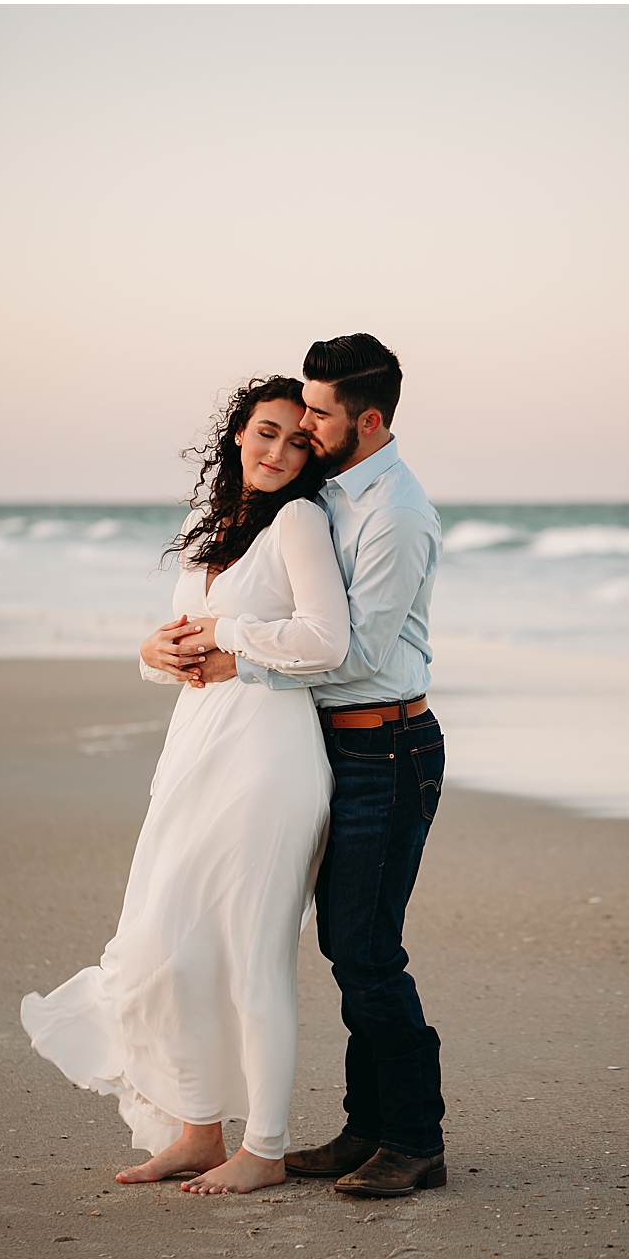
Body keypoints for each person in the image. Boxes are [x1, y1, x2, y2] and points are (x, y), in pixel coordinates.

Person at [21, 374, 349, 1195]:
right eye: (266, 432)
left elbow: (326, 640)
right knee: (169, 944)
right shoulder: (211, 527)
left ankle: (265, 1147)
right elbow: (184, 647)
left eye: (298, 440)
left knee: (252, 953)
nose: (278, 451)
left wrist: (231, 632)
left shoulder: (301, 522)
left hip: (269, 758)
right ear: (237, 433)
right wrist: (149, 652)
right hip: (196, 751)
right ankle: (200, 1130)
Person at [175, 334, 448, 1198]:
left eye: (319, 415)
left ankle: (414, 1139)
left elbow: (354, 653)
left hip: (387, 743)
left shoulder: (393, 513)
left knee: (367, 950)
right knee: (345, 944)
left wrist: (234, 653)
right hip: (334, 741)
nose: (305, 425)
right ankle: (366, 1127)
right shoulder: (330, 494)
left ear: (366, 420)